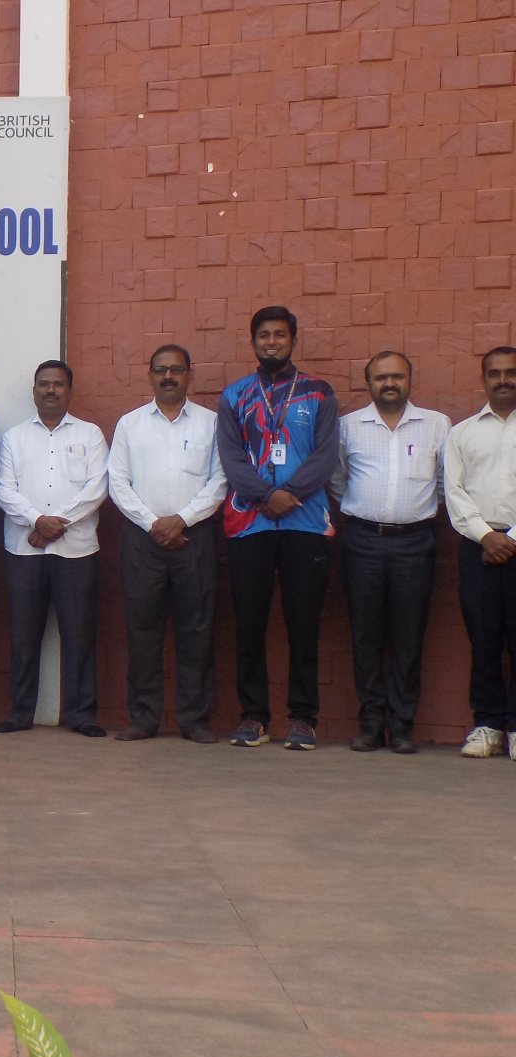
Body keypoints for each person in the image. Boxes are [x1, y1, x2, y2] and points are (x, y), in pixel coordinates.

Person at [217, 305, 339, 750]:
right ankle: (253, 716)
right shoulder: (235, 396)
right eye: (264, 335)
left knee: (303, 625)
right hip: (250, 524)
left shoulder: (319, 393)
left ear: (293, 340)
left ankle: (303, 719)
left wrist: (289, 494)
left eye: (280, 335)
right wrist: (265, 495)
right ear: (253, 342)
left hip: (305, 522)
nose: (272, 342)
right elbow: (231, 458)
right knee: (249, 624)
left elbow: (326, 456)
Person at [107, 345, 227, 743]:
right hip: (142, 540)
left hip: (195, 537)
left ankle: (194, 720)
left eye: (176, 369)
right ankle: (144, 718)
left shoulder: (211, 424)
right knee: (142, 631)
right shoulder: (130, 425)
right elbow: (117, 482)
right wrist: (153, 523)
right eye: (161, 370)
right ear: (150, 375)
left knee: (197, 630)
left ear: (190, 374)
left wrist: (182, 520)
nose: (168, 376)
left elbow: (220, 480)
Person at [330, 352, 448, 755]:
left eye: (397, 376)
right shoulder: (348, 427)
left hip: (416, 543)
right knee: (365, 636)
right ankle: (369, 724)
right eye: (381, 377)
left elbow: (445, 484)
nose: (390, 383)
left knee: (408, 637)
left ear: (410, 380)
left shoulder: (436, 425)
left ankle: (401, 726)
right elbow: (337, 479)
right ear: (369, 383)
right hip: (362, 540)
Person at [0, 360, 110, 737]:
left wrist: (55, 524)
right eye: (43, 384)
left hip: (76, 549)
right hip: (24, 550)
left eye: (58, 384)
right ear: (33, 391)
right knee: (23, 636)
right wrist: (36, 520)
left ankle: (82, 714)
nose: (50, 390)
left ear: (69, 391)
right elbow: (4, 489)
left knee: (79, 635)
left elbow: (97, 488)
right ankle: (20, 712)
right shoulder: (14, 438)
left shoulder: (90, 434)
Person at [445, 346, 516, 761]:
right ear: (483, 379)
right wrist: (486, 536)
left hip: (512, 541)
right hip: (478, 548)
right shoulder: (462, 433)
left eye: (511, 372)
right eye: (495, 373)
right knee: (484, 640)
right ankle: (488, 725)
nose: (503, 380)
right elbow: (454, 491)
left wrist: (511, 539)